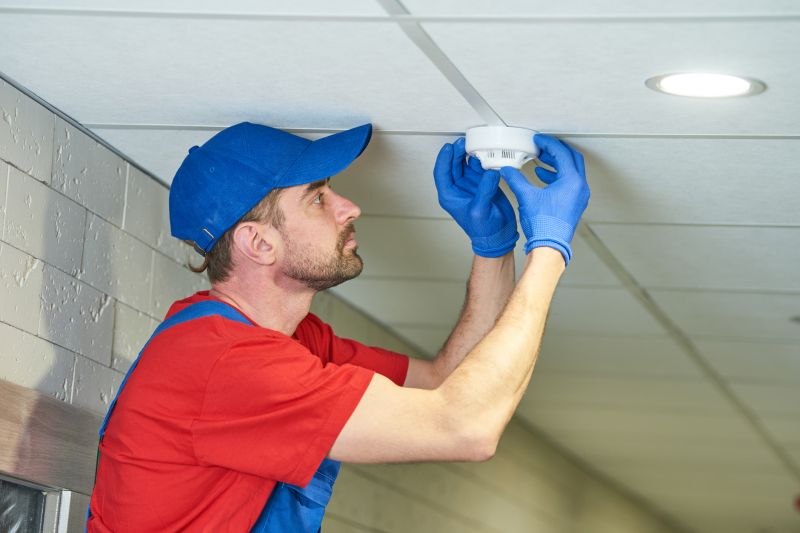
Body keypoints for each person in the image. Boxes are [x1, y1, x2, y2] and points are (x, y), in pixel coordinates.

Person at [85, 121, 589, 532]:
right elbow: (466, 428)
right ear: (259, 244)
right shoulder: (226, 363)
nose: (350, 207)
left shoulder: (290, 342)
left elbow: (444, 383)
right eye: (318, 197)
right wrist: (549, 249)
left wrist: (493, 249)